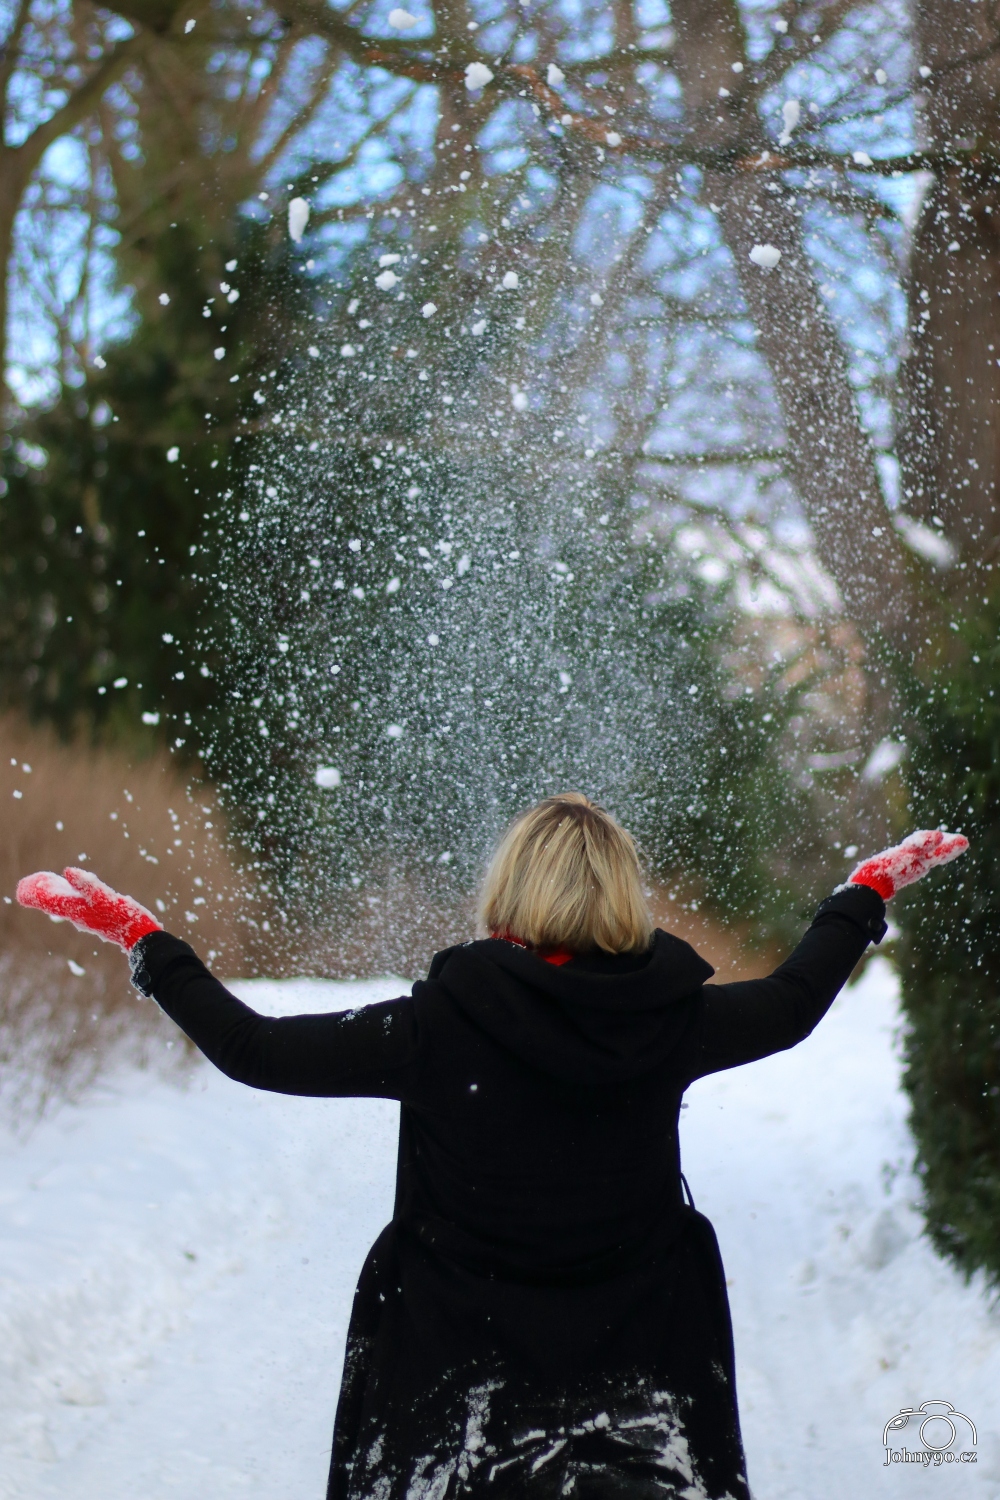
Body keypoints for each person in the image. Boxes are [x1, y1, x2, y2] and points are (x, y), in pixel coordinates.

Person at [17, 798, 967, 1500]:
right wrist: (862, 894)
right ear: (620, 896)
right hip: (640, 1393)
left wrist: (145, 941)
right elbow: (794, 1004)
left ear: (510, 888)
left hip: (449, 1396)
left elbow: (254, 1049)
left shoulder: (438, 1026)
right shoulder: (670, 1020)